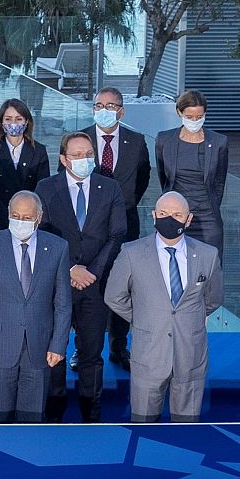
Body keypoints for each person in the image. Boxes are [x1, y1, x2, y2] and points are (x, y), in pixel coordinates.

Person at [104, 192, 224, 423]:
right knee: (144, 429)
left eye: (177, 214)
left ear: (188, 219)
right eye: (163, 213)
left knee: (187, 433)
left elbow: (213, 298)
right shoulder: (131, 253)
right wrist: (144, 317)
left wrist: (189, 318)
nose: (170, 218)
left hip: (190, 355)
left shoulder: (208, 256)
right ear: (153, 215)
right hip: (148, 356)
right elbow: (114, 296)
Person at [34, 132, 125, 423]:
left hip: (95, 286)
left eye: (88, 153)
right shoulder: (46, 188)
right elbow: (42, 233)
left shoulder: (109, 188)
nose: (84, 159)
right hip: (58, 283)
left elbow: (116, 234)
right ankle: (55, 408)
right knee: (55, 348)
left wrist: (93, 271)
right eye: (76, 154)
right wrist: (71, 268)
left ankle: (91, 410)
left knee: (91, 352)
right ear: (63, 159)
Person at [0, 191, 71, 423]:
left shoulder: (57, 247)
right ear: (8, 214)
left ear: (39, 217)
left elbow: (63, 304)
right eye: (15, 216)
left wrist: (58, 345)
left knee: (33, 419)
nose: (20, 222)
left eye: (26, 217)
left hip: (40, 348)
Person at [85, 86, 152, 370]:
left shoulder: (136, 141)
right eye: (99, 105)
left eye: (111, 106)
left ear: (121, 111)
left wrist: (125, 203)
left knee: (123, 284)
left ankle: (118, 347)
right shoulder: (81, 138)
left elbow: (143, 176)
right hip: (88, 224)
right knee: (90, 287)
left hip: (125, 221)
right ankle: (86, 347)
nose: (104, 110)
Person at [155, 90, 229, 251]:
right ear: (179, 112)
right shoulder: (164, 140)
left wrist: (211, 206)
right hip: (174, 215)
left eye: (199, 117)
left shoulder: (219, 142)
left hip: (208, 216)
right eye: (189, 117)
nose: (195, 121)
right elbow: (164, 177)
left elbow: (219, 181)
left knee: (210, 267)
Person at [0, 98, 50, 229]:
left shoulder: (39, 151)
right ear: (1, 122)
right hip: (0, 218)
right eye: (8, 119)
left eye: (18, 119)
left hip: (29, 218)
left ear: (27, 121)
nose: (13, 123)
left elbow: (43, 189)